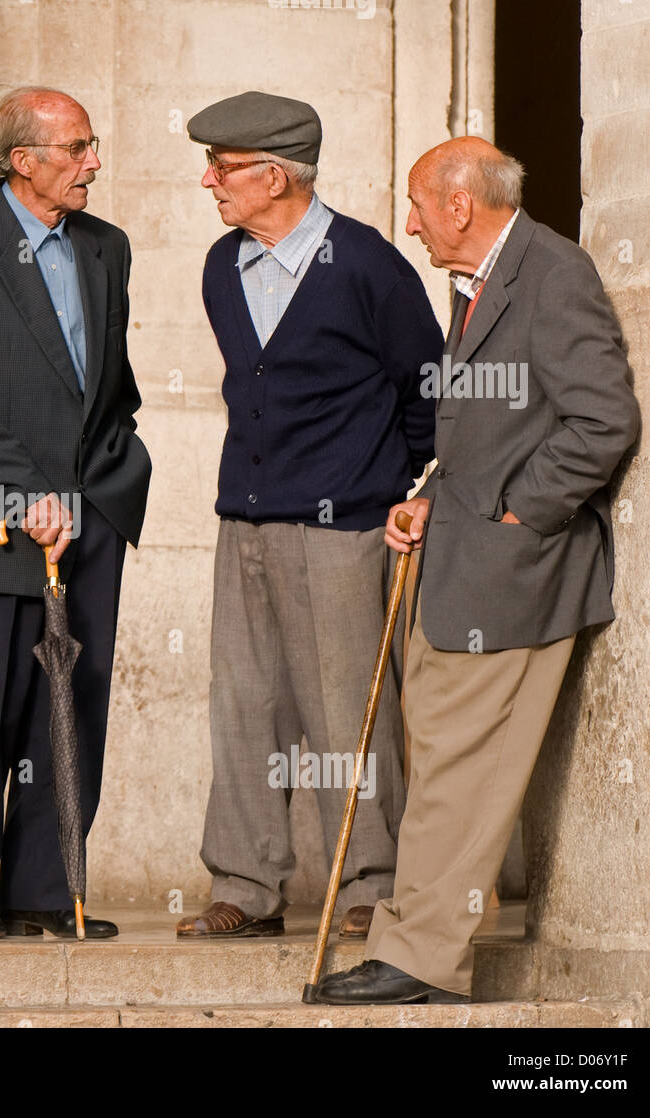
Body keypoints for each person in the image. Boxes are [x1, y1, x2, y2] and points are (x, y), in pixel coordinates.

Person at [313, 137, 640, 1004]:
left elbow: (601, 421)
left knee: (460, 766)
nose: (408, 223)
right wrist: (433, 496)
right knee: (442, 759)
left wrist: (515, 511)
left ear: (460, 205)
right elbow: (494, 427)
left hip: (515, 570)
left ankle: (419, 958)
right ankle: (414, 942)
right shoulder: (481, 280)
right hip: (459, 558)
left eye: (418, 205)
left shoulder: (553, 273)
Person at [175, 92, 439, 942]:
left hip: (343, 530)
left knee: (342, 712)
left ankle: (367, 884)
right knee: (244, 706)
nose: (208, 181)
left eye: (222, 168)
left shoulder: (367, 264)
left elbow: (426, 392)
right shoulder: (223, 264)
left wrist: (402, 490)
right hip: (243, 522)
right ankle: (246, 888)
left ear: (275, 174)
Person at [0, 87, 151, 939]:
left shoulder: (106, 247)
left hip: (93, 515)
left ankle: (48, 892)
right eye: (78, 146)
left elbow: (107, 386)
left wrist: (115, 484)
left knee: (73, 701)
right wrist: (23, 492)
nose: (94, 161)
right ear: (24, 160)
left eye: (91, 144)